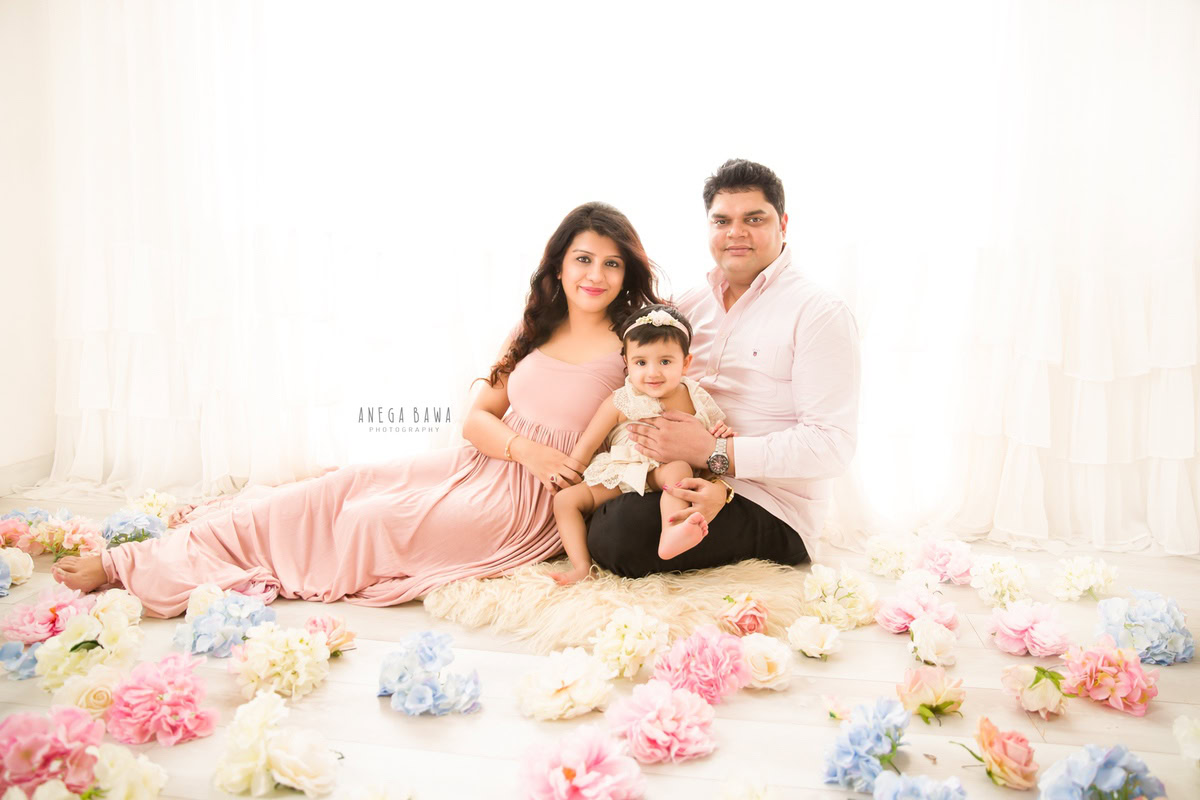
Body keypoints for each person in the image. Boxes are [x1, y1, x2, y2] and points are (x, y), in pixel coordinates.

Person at [52, 202, 662, 617]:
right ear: (559, 263)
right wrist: (520, 446)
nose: (596, 274)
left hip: (524, 501)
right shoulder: (534, 326)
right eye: (583, 258)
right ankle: (126, 561)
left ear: (626, 270)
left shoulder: (633, 344)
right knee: (335, 490)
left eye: (611, 262)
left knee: (371, 522)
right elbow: (477, 419)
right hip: (477, 463)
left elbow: (644, 433)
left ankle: (159, 568)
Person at [585, 159, 862, 577]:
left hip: (771, 503)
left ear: (783, 224)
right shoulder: (687, 305)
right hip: (683, 476)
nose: (736, 232)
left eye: (754, 218)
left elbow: (830, 446)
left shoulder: (819, 312)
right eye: (722, 220)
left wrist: (713, 455)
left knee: (619, 535)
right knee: (588, 507)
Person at [546, 304, 734, 585]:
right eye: (641, 362)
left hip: (664, 474)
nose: (653, 373)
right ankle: (581, 566)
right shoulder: (620, 400)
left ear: (686, 363)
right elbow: (585, 447)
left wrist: (723, 435)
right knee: (564, 501)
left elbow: (714, 439)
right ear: (627, 363)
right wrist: (566, 474)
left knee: (677, 469)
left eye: (665, 362)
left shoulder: (697, 397)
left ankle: (672, 534)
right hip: (623, 470)